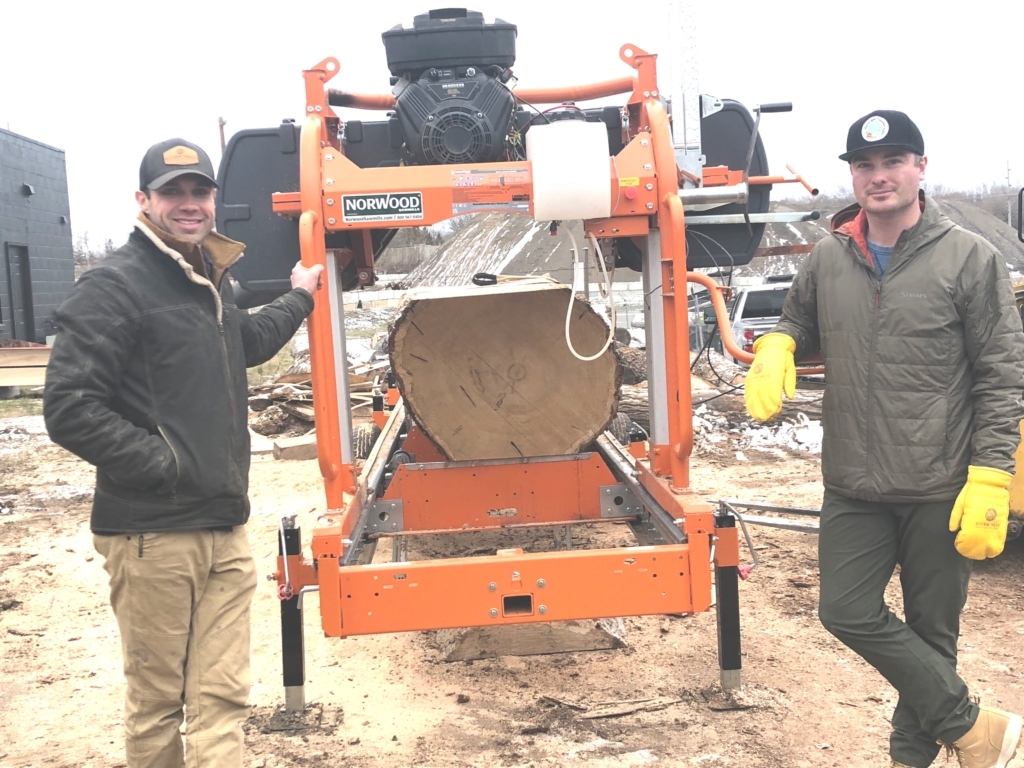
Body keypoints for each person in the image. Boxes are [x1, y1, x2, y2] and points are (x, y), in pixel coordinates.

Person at [745, 111, 1024, 768]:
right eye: (864, 166)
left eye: (893, 162)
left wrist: (992, 475)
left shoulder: (969, 259)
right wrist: (779, 342)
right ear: (852, 175)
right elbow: (798, 321)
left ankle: (913, 760)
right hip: (855, 484)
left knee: (932, 634)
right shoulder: (828, 258)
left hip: (940, 485)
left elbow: (1001, 375)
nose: (878, 177)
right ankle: (972, 728)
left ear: (919, 169)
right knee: (843, 611)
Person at [43, 138, 324, 768]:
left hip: (225, 530)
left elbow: (245, 341)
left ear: (214, 201)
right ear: (144, 201)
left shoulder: (209, 280)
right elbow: (68, 409)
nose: (189, 204)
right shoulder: (116, 286)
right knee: (158, 703)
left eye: (199, 191)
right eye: (173, 192)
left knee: (223, 697)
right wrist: (168, 468)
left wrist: (300, 295)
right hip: (154, 535)